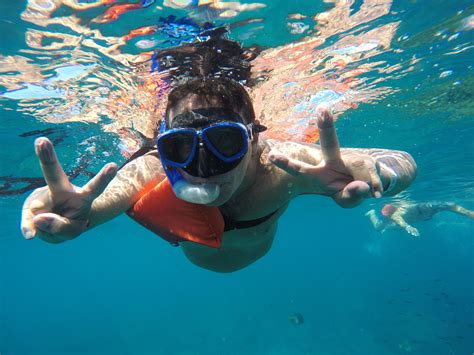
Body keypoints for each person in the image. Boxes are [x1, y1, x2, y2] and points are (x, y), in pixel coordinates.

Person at [20, 34, 417, 273]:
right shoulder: (150, 170)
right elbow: (87, 211)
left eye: (225, 144)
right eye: (180, 147)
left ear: (254, 139)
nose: (203, 167)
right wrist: (60, 219)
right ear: (163, 146)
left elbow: (402, 161)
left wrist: (380, 174)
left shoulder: (282, 165)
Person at [366, 202, 474, 237]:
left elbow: (451, 206)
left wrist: (470, 213)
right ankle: (372, 214)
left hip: (420, 214)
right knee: (378, 227)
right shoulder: (403, 210)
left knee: (447, 206)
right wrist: (407, 226)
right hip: (417, 216)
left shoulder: (402, 211)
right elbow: (397, 218)